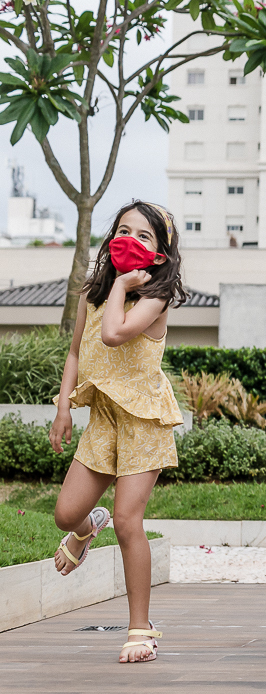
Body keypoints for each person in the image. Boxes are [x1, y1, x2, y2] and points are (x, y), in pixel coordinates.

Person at [47, 201, 187, 663]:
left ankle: (140, 629)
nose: (130, 239)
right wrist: (64, 406)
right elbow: (77, 352)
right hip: (104, 416)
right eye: (122, 230)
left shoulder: (155, 297)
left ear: (161, 255)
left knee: (130, 521)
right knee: (66, 516)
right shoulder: (94, 292)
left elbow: (113, 335)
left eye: (144, 235)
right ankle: (90, 528)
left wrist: (126, 284)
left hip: (144, 419)